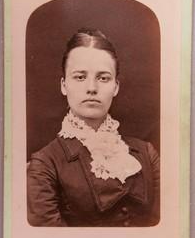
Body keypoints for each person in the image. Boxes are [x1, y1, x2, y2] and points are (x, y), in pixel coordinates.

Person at [27, 28, 160, 227]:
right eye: (80, 77)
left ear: (115, 87)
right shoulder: (45, 164)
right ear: (64, 85)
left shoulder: (147, 154)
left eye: (103, 78)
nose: (92, 87)